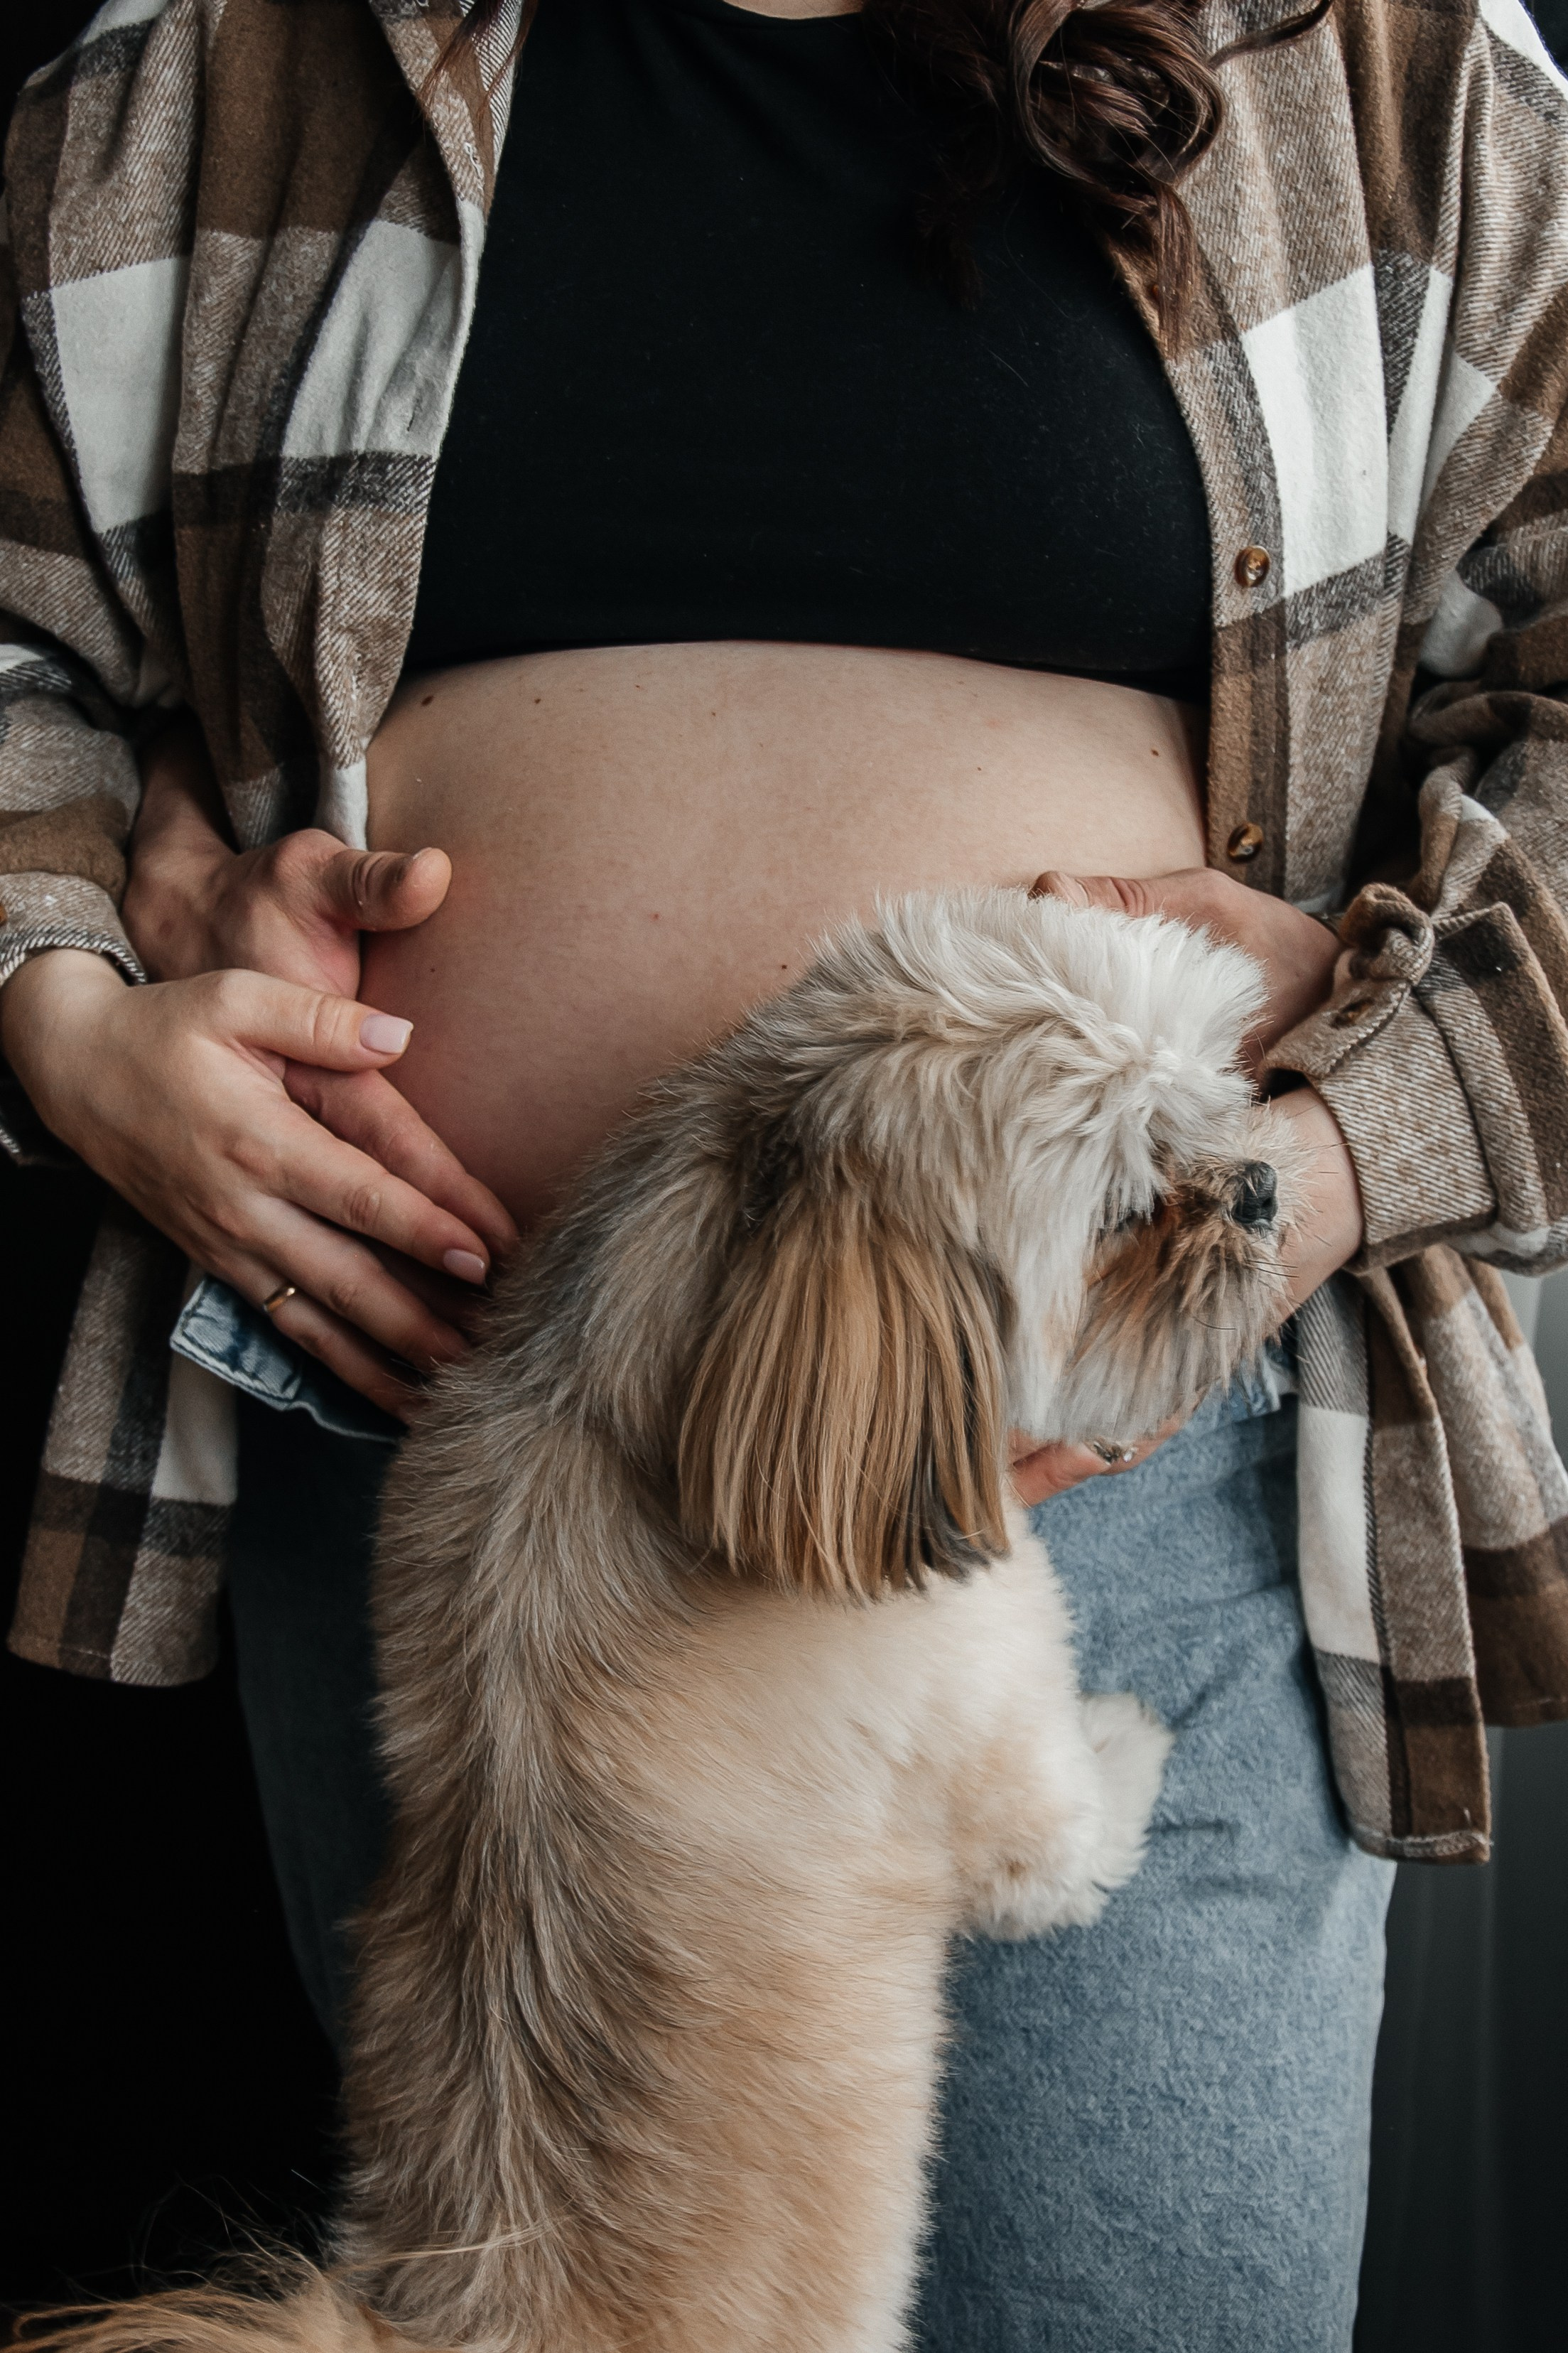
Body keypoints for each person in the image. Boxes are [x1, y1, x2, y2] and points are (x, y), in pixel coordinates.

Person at [2, 0, 1567, 2342]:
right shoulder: (213, 66)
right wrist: (70, 1018)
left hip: (1099, 1484)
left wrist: (1344, 1144)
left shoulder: (1391, 69)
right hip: (453, 1489)